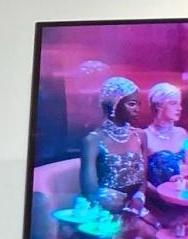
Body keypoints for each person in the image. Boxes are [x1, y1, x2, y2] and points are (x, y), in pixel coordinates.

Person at [80, 77, 147, 212]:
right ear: (113, 105)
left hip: (136, 209)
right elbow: (90, 191)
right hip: (104, 213)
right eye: (132, 104)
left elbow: (143, 180)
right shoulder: (93, 140)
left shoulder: (140, 135)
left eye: (138, 104)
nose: (137, 109)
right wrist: (120, 208)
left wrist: (139, 197)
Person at [144, 82, 188, 158]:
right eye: (174, 103)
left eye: (179, 104)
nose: (179, 108)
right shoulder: (145, 136)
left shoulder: (182, 133)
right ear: (159, 105)